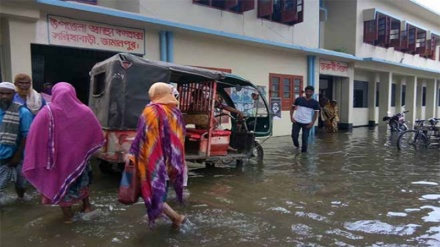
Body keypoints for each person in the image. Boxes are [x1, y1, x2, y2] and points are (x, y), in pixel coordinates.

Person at [22, 82, 105, 223]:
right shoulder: (84, 111)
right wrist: (84, 149)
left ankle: (68, 219)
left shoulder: (46, 112)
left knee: (62, 185)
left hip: (59, 161)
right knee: (82, 183)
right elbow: (96, 133)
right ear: (74, 93)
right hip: (80, 159)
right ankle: (86, 207)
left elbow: (34, 136)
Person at [127, 82, 186, 229]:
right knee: (162, 185)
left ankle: (176, 217)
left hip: (153, 158)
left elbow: (143, 136)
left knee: (149, 188)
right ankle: (160, 214)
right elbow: (180, 135)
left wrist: (133, 153)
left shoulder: (151, 111)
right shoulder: (175, 111)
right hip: (172, 159)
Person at [0, 82, 33, 201]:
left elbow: (27, 136)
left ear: (14, 94)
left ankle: (21, 200)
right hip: (1, 155)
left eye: (7, 94)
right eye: (1, 93)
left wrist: (17, 156)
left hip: (16, 155)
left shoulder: (23, 112)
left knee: (20, 184)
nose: (4, 96)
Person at [290, 85, 320, 153]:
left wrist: (312, 123)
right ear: (305, 92)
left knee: (305, 139)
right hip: (296, 122)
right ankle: (297, 146)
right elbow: (292, 108)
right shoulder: (299, 99)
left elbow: (316, 114)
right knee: (294, 136)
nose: (308, 93)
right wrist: (291, 117)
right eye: (307, 91)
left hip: (307, 123)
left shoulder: (315, 103)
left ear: (313, 92)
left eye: (310, 92)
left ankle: (304, 156)